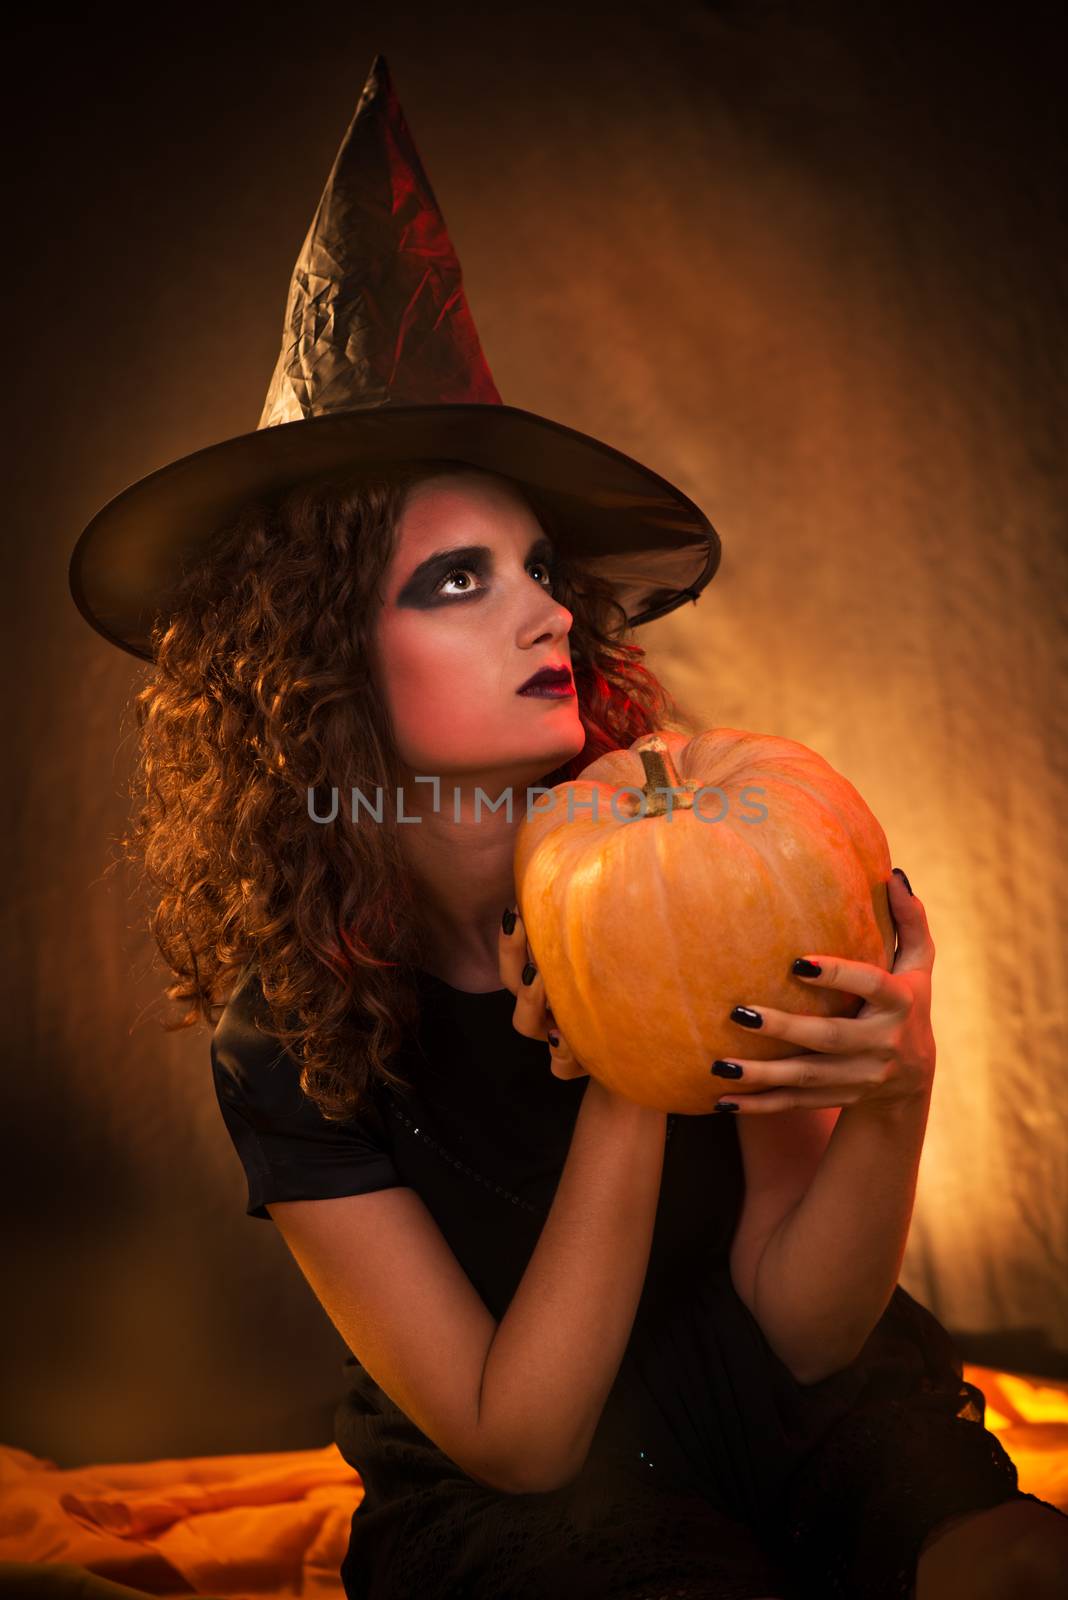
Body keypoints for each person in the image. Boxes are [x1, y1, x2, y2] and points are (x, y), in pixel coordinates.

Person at [68, 53, 1068, 1600]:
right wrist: (620, 1059)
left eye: (538, 567)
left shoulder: (716, 855)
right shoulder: (287, 1029)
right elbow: (519, 1440)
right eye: (456, 581)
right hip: (538, 1494)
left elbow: (802, 1330)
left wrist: (896, 1093)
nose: (542, 605)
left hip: (796, 1409)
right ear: (324, 660)